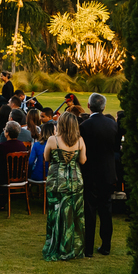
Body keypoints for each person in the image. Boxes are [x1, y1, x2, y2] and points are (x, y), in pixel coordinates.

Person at [79, 93, 119, 257]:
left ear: (89, 106)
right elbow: (115, 147)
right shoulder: (112, 124)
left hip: (90, 172)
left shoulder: (85, 126)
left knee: (89, 210)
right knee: (106, 209)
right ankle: (106, 245)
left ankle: (88, 248)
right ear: (103, 107)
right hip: (108, 171)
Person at [43, 111, 86, 261]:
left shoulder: (52, 140)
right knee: (74, 214)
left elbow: (46, 157)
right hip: (75, 180)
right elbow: (83, 160)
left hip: (56, 180)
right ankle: (72, 247)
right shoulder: (80, 140)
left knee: (56, 213)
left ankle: (57, 245)